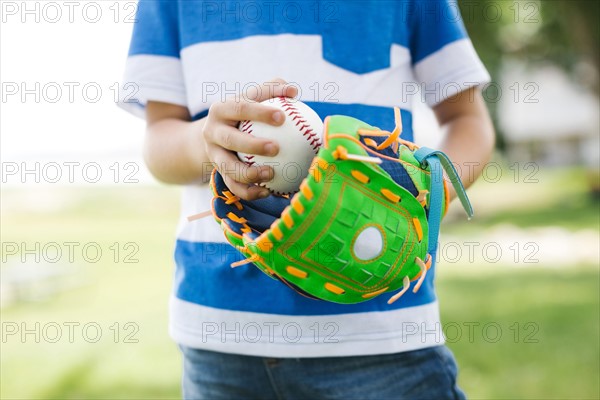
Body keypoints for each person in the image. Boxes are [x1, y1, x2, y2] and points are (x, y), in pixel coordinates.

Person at [119, 1, 495, 398]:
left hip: (378, 327)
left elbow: (467, 120)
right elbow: (160, 140)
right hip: (221, 329)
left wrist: (421, 199)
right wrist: (205, 143)